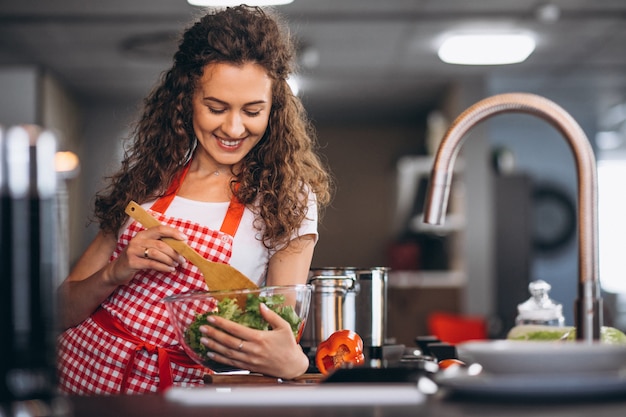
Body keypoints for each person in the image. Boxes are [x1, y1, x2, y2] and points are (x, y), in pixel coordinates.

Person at [57, 5, 332, 395]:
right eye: (216, 108)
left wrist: (295, 362)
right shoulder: (150, 177)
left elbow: (279, 331)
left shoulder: (286, 200)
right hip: (83, 375)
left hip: (183, 392)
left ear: (274, 109)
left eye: (253, 111)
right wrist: (115, 273)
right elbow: (58, 312)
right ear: (186, 99)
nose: (234, 128)